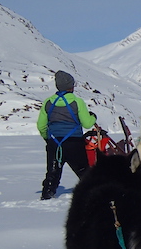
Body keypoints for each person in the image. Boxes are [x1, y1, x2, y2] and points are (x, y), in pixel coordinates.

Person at [37, 70, 97, 200]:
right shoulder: (77, 101)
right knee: (83, 171)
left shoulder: (48, 102)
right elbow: (87, 123)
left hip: (54, 143)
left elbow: (41, 125)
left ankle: (47, 194)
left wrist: (48, 138)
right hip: (74, 143)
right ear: (71, 86)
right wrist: (93, 117)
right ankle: (94, 193)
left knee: (52, 172)